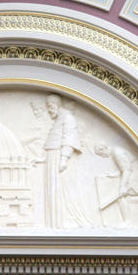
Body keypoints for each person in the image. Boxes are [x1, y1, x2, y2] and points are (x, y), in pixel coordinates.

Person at [43, 94, 90, 228]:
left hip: (60, 159)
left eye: (51, 107)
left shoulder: (67, 118)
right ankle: (55, 223)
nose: (49, 110)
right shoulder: (59, 119)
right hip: (53, 158)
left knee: (63, 189)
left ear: (57, 105)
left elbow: (69, 139)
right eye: (48, 108)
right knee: (54, 190)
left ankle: (67, 220)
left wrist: (63, 159)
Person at [94, 144, 138, 227]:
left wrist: (123, 187)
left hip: (134, 175)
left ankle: (127, 222)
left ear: (104, 148)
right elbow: (124, 168)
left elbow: (127, 170)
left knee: (120, 197)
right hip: (131, 173)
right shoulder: (115, 152)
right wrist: (116, 174)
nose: (103, 157)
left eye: (102, 154)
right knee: (124, 199)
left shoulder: (117, 153)